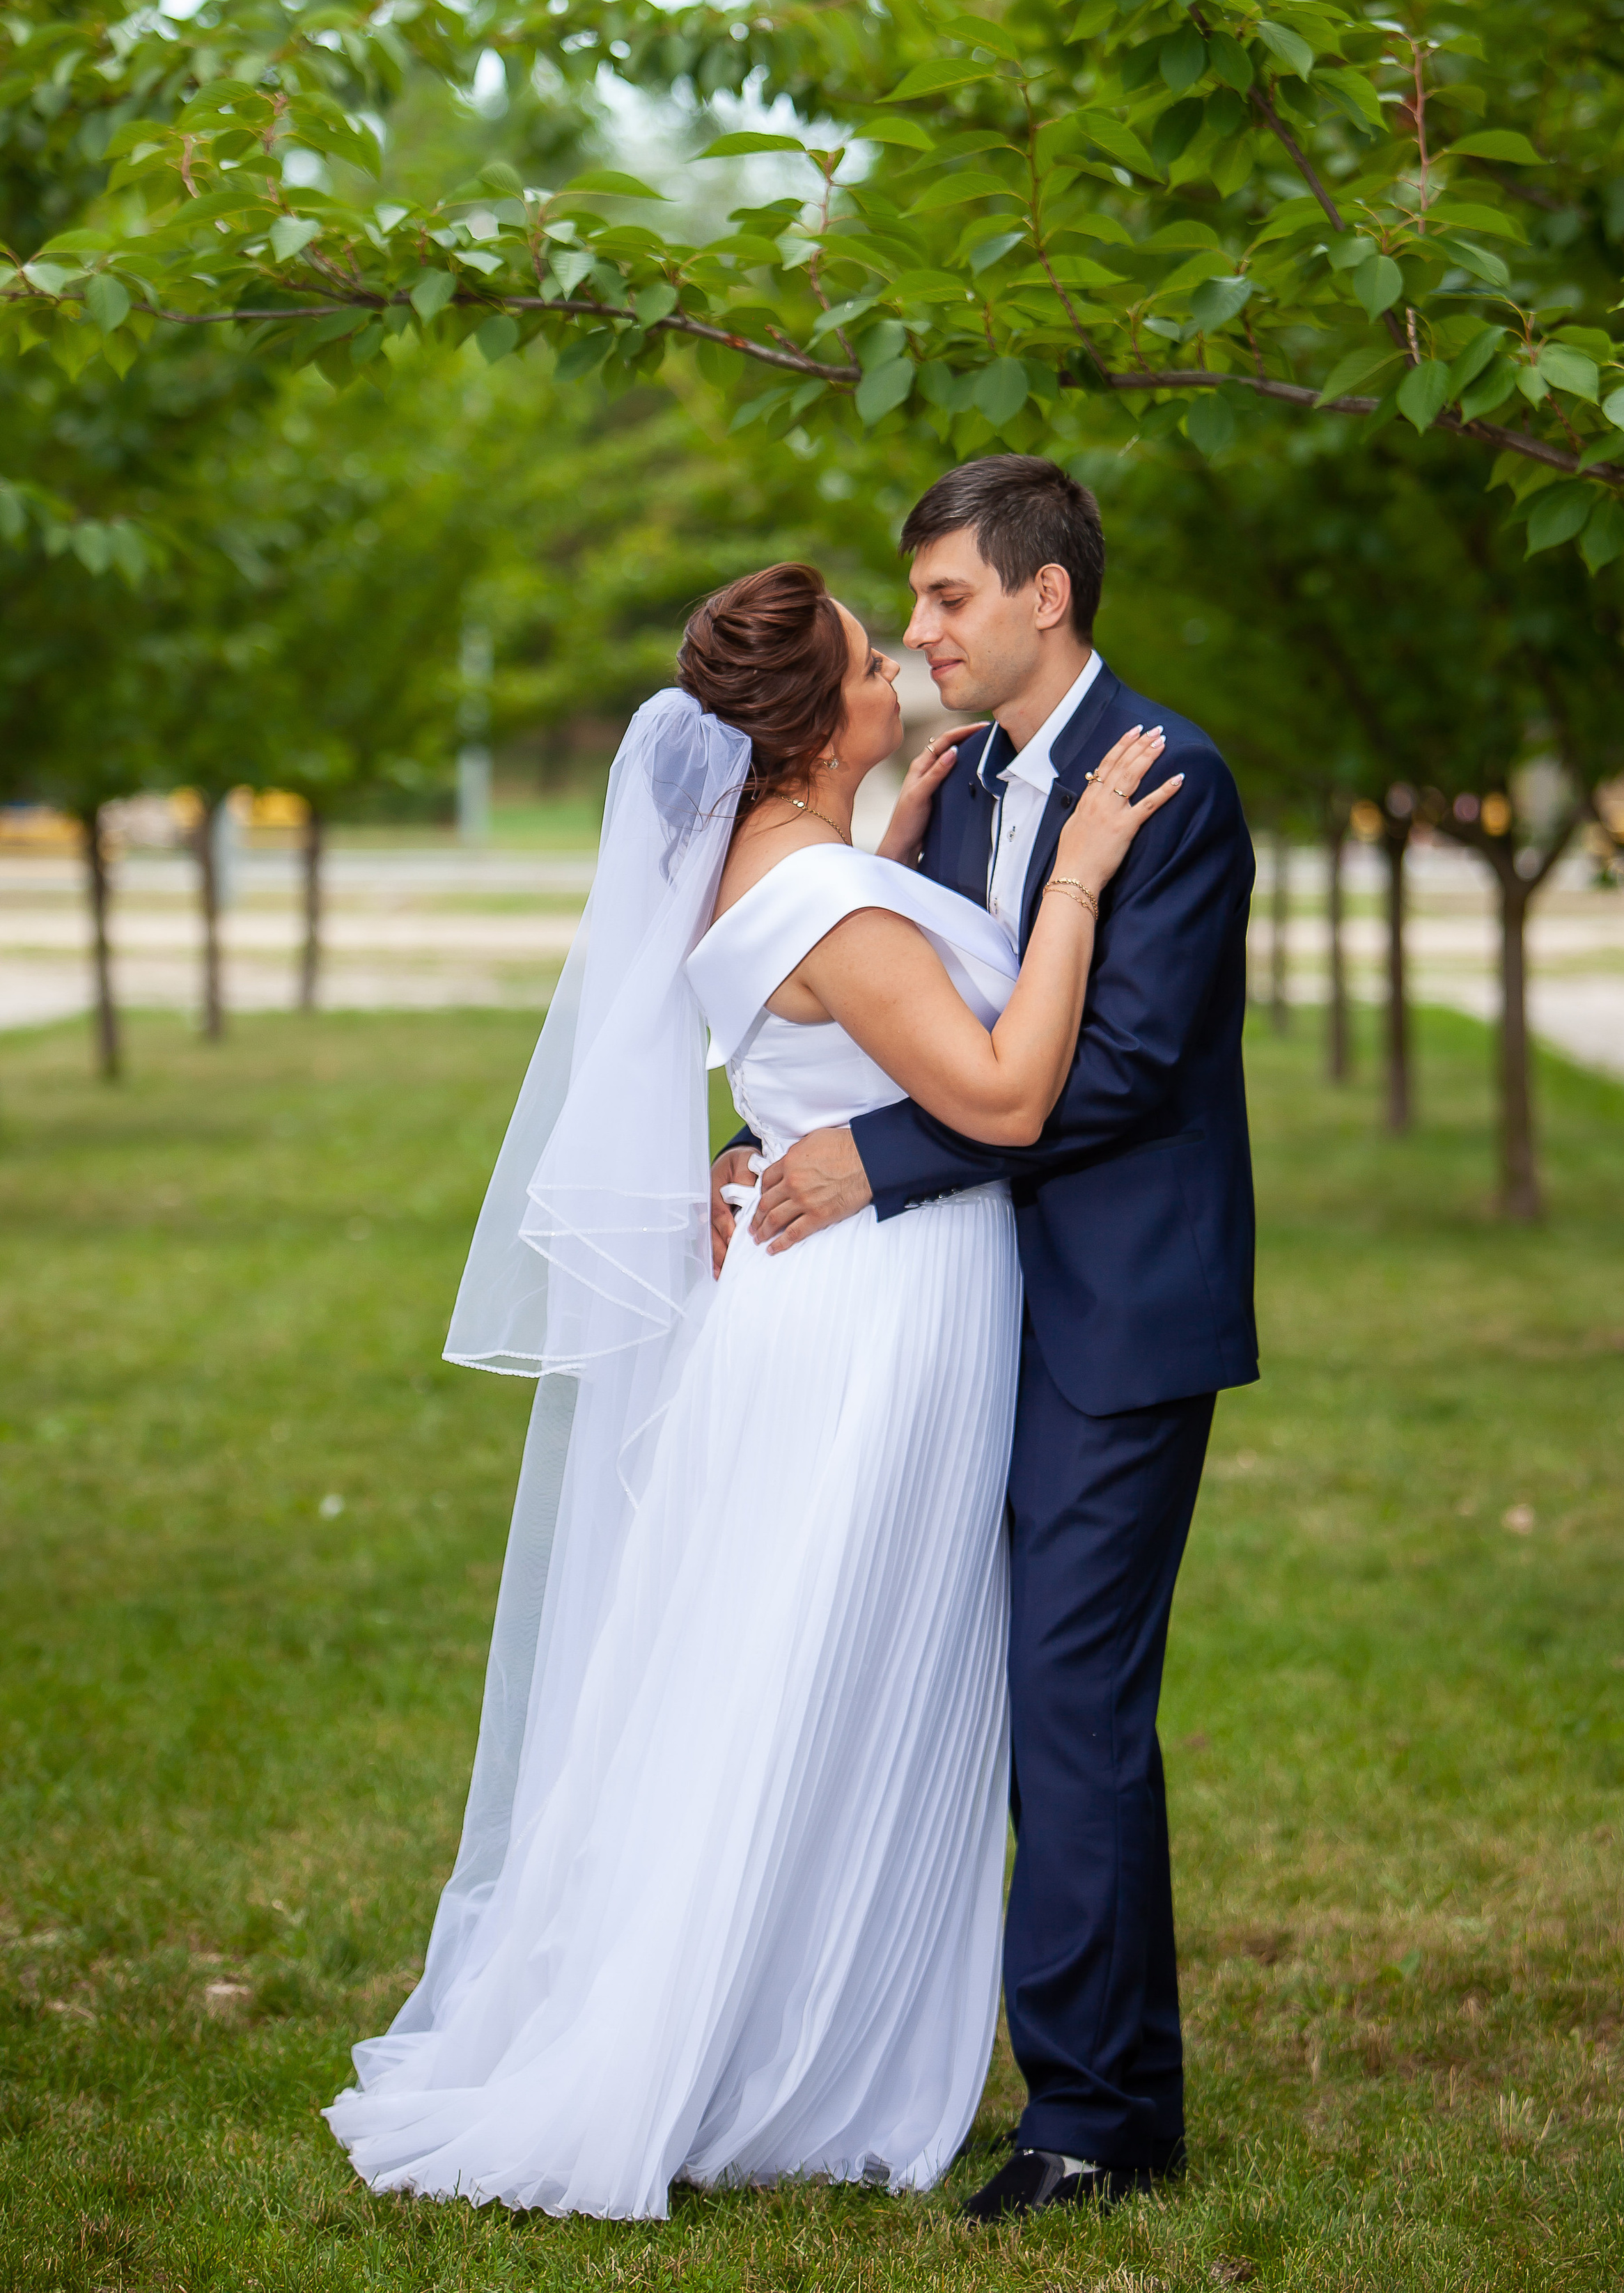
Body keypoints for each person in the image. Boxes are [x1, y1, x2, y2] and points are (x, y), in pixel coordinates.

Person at [322, 560, 1180, 2221]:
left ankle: (776, 2005)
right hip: (877, 1312)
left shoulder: (770, 865)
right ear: (814, 725)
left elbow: (802, 1032)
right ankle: (764, 2038)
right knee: (816, 1668)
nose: (901, 668)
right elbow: (1002, 1099)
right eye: (875, 656)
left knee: (788, 1661)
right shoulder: (832, 905)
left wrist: (885, 858)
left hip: (828, 1294)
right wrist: (1068, 881)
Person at [712, 457, 1258, 2224]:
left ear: (1046, 598)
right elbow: (903, 1014)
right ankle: (870, 2041)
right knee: (921, 1680)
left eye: (946, 597)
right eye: (914, 607)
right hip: (949, 1321)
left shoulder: (1166, 780)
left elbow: (1107, 1073)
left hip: (1111, 1317)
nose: (926, 631)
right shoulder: (950, 790)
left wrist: (865, 1160)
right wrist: (770, 1138)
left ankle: (1097, 2118)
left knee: (1068, 1706)